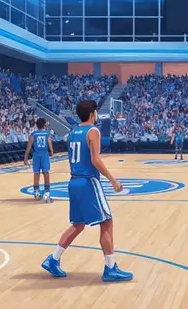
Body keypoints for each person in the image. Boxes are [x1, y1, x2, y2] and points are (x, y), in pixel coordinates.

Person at [41, 100, 132, 281]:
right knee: (106, 222)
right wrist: (112, 179)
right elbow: (95, 160)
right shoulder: (93, 131)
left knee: (78, 224)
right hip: (88, 181)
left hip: (74, 181)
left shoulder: (73, 132)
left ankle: (53, 258)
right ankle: (110, 267)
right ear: (92, 114)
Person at [24, 117, 54, 203]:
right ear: (44, 125)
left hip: (36, 155)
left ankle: (36, 194)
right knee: (46, 173)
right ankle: (47, 194)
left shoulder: (33, 134)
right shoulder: (47, 134)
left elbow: (29, 147)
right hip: (44, 154)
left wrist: (25, 158)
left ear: (37, 125)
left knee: (36, 173)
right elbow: (49, 144)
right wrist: (51, 151)